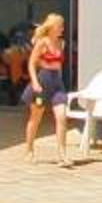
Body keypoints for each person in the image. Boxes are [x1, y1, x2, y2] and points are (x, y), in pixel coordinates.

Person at [21, 13, 70, 163]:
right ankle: (29, 150)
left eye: (62, 26)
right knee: (35, 118)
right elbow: (31, 64)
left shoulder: (62, 43)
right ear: (52, 27)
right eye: (60, 26)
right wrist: (35, 82)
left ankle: (62, 154)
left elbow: (59, 65)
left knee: (62, 117)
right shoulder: (42, 43)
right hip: (43, 82)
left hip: (57, 84)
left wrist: (60, 81)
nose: (62, 29)